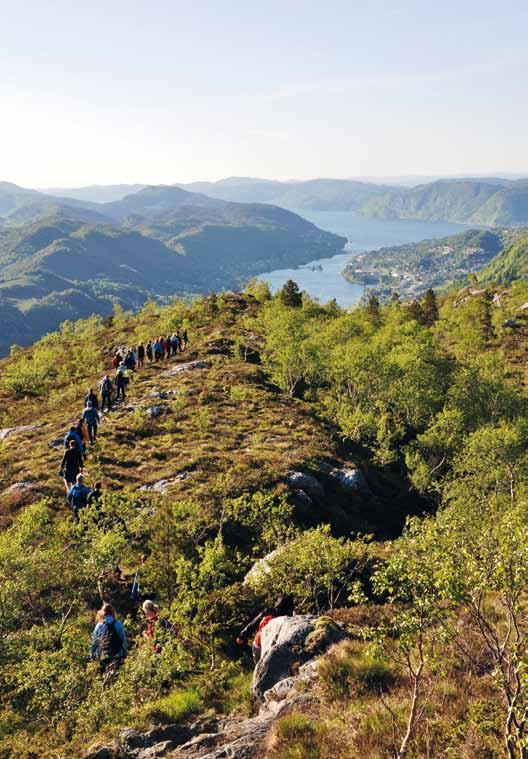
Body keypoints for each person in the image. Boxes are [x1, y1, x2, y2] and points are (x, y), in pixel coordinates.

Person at [236, 595, 294, 663]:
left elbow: (254, 622)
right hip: (272, 648)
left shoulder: (268, 611)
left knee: (259, 667)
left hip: (258, 644)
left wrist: (242, 636)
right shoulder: (288, 617)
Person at [90, 602, 128, 675]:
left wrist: (92, 655)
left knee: (103, 678)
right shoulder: (118, 624)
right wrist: (125, 653)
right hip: (117, 655)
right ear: (113, 612)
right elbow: (123, 640)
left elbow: (94, 643)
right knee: (116, 678)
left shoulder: (99, 625)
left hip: (102, 656)